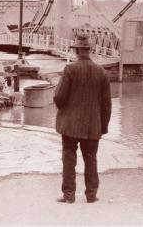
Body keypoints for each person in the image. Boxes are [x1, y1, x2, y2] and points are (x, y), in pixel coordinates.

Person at [53, 34, 111, 204]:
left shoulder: (70, 69)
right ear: (90, 50)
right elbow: (107, 104)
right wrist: (103, 126)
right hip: (93, 125)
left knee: (69, 158)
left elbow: (59, 98)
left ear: (77, 50)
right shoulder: (101, 72)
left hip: (70, 125)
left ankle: (69, 195)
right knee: (91, 158)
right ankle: (91, 195)